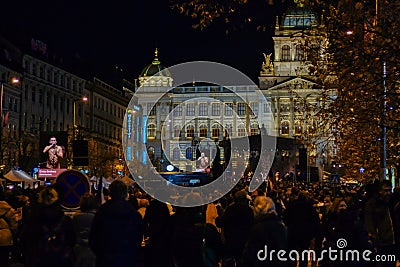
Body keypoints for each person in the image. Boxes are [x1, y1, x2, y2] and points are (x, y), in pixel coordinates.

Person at [89, 180, 144, 267]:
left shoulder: (102, 211)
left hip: (106, 258)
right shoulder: (133, 213)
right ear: (126, 193)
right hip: (127, 258)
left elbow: (94, 236)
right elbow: (138, 236)